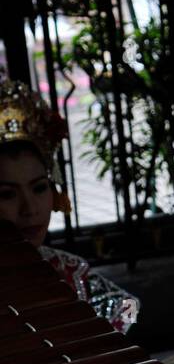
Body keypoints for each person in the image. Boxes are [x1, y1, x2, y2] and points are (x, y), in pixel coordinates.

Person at [0, 77, 139, 333]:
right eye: (7, 194)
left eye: (39, 188)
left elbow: (128, 309)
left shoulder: (67, 272)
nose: (29, 208)